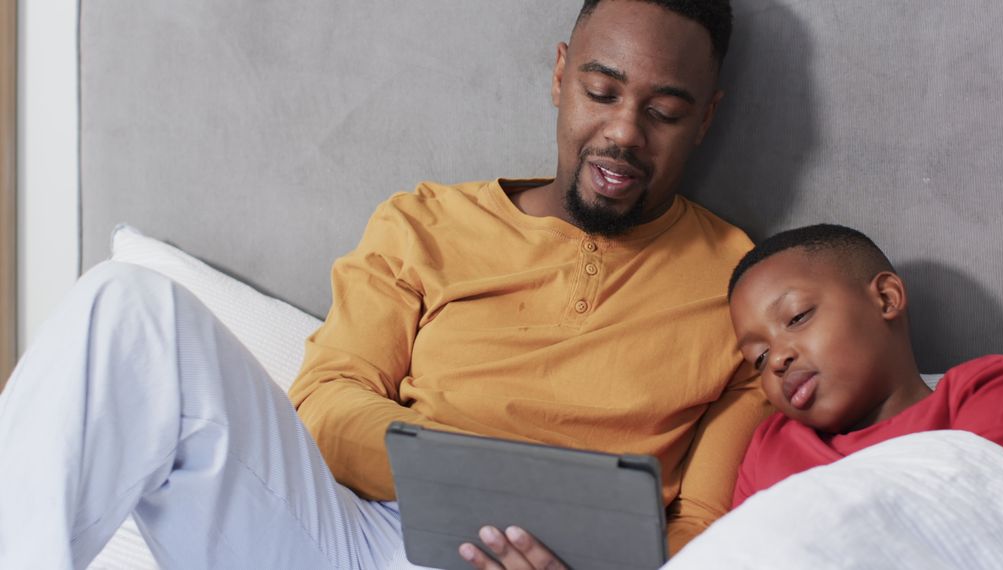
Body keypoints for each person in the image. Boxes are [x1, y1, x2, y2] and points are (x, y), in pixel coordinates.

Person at [0, 1, 772, 568]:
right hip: (362, 539)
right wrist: (477, 478)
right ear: (561, 75)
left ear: (706, 119)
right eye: (601, 93)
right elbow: (328, 407)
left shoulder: (746, 285)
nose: (625, 133)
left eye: (664, 112)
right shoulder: (427, 222)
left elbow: (701, 525)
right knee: (127, 307)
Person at [725, 223, 1003, 507]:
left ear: (885, 299)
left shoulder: (989, 393)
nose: (778, 360)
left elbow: (987, 526)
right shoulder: (770, 448)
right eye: (759, 358)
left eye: (797, 317)